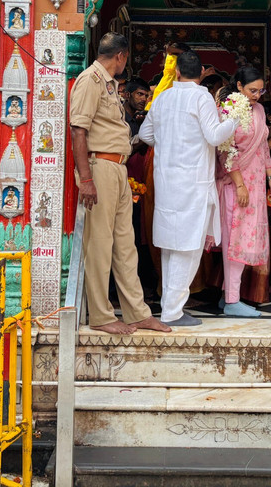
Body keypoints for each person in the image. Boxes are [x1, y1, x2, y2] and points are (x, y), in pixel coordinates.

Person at [70, 32, 170, 335]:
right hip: (99, 166)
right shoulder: (90, 80)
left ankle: (137, 313)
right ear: (121, 56)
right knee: (100, 244)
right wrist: (86, 179)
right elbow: (78, 131)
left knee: (126, 245)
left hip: (117, 167)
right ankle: (101, 316)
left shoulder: (110, 84)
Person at [139, 50, 237, 326]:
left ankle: (170, 307)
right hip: (193, 184)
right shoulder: (201, 97)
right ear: (202, 73)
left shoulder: (163, 97)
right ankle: (172, 312)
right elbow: (214, 136)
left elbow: (145, 134)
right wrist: (234, 120)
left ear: (178, 72)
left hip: (166, 182)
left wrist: (168, 142)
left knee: (170, 246)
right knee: (188, 248)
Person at [214, 67, 271, 318]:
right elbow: (225, 151)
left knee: (245, 239)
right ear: (239, 86)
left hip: (256, 184)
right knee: (235, 241)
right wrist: (240, 184)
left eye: (260, 91)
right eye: (252, 90)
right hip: (236, 184)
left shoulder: (260, 110)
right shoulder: (228, 109)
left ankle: (228, 295)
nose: (256, 95)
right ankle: (232, 300)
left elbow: (262, 147)